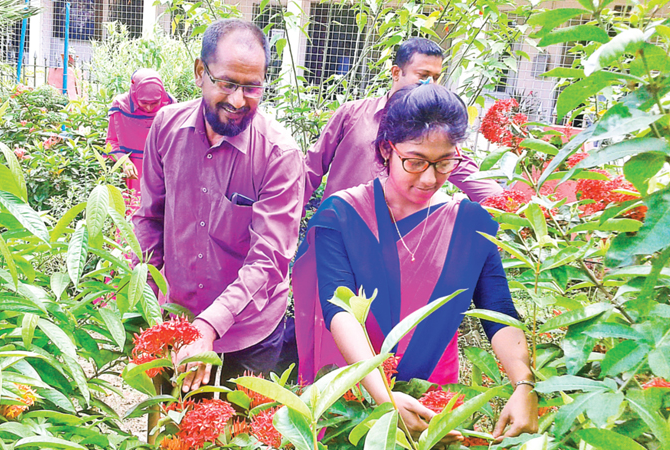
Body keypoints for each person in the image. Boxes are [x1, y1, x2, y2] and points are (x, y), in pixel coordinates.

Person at [293, 84, 538, 442]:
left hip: (430, 398)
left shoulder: (471, 225)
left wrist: (524, 383)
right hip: (355, 396)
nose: (429, 178)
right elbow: (339, 310)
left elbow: (498, 310)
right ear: (385, 150)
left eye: (443, 163)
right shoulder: (342, 216)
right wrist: (385, 397)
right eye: (415, 161)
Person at [133, 19, 305, 393]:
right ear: (200, 73)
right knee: (170, 429)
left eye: (252, 87)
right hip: (176, 320)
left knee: (238, 434)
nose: (239, 100)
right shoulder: (166, 127)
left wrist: (208, 326)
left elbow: (269, 259)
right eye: (227, 83)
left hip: (248, 336)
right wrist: (144, 297)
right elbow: (150, 219)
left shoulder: (280, 154)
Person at [303, 37, 502, 204]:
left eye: (435, 77)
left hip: (395, 242)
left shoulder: (435, 130)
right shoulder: (352, 114)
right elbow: (310, 170)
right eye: (423, 75)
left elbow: (476, 180)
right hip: (335, 230)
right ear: (397, 73)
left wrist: (510, 208)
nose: (430, 84)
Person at [106, 69, 174, 196]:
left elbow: (177, 143)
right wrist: (124, 161)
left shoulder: (170, 105)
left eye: (154, 103)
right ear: (134, 92)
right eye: (144, 102)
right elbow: (111, 142)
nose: (149, 108)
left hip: (161, 172)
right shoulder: (121, 106)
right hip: (131, 174)